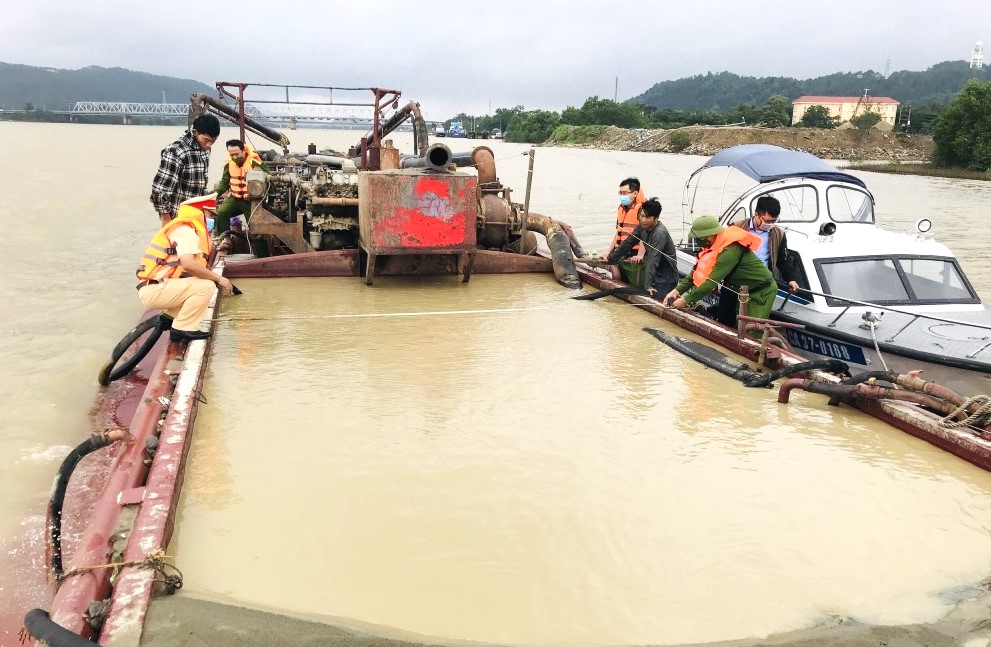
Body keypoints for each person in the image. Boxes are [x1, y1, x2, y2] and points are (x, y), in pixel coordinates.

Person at [136, 193, 233, 342]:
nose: (212, 220)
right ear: (200, 212)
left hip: (156, 286)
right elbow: (188, 263)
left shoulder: (185, 227)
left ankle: (170, 317)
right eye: (210, 215)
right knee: (206, 286)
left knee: (201, 282)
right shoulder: (186, 231)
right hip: (155, 290)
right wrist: (218, 278)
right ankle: (183, 328)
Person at [662, 215, 776, 326]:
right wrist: (676, 292)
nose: (696, 240)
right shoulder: (710, 247)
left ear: (710, 235)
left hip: (761, 291)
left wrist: (686, 300)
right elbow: (695, 274)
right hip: (738, 290)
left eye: (699, 238)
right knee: (731, 324)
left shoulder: (729, 251)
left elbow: (710, 282)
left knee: (752, 330)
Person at [714, 195, 801, 326]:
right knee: (725, 321)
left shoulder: (779, 234)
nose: (770, 224)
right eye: (767, 221)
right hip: (733, 284)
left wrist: (791, 279)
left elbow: (783, 260)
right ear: (756, 214)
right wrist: (713, 281)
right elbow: (719, 255)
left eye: (774, 221)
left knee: (753, 325)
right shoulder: (737, 228)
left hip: (759, 286)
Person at [150, 114, 221, 226]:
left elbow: (201, 182)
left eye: (213, 141)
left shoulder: (204, 149)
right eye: (206, 140)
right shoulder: (176, 151)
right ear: (195, 132)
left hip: (196, 212)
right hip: (177, 214)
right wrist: (166, 218)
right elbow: (159, 189)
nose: (209, 145)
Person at [603, 198, 678, 297]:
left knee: (651, 295)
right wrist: (611, 259)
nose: (643, 220)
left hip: (666, 278)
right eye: (642, 216)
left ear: (656, 218)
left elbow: (653, 259)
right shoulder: (641, 227)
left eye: (647, 217)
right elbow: (628, 243)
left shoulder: (659, 233)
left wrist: (648, 286)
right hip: (654, 274)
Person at [213, 139, 270, 256]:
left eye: (236, 154)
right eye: (231, 154)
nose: (234, 157)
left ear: (243, 151)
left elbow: (269, 180)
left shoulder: (254, 162)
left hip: (251, 201)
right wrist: (213, 195)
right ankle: (226, 240)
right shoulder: (229, 164)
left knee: (256, 229)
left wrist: (268, 199)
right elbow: (224, 183)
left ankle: (263, 257)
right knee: (222, 212)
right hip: (235, 199)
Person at [607, 177, 645, 257]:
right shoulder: (621, 208)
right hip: (621, 250)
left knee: (612, 263)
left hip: (634, 251)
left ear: (635, 193)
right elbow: (618, 232)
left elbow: (646, 235)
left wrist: (640, 255)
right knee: (608, 260)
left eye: (625, 193)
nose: (622, 196)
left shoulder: (642, 209)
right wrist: (608, 252)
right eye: (620, 193)